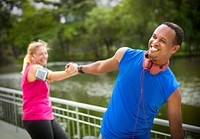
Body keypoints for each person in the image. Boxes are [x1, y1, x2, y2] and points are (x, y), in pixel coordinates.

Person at [75, 22, 184, 139]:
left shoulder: (172, 89)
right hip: (105, 135)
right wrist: (79, 69)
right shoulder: (125, 55)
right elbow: (100, 66)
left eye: (163, 41)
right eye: (154, 36)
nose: (155, 42)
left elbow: (177, 134)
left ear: (174, 48)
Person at [21, 40, 78, 139]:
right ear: (32, 56)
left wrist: (74, 71)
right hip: (36, 116)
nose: (45, 56)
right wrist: (70, 72)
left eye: (45, 53)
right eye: (40, 54)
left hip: (47, 115)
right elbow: (51, 77)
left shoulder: (40, 69)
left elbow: (54, 77)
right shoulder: (34, 69)